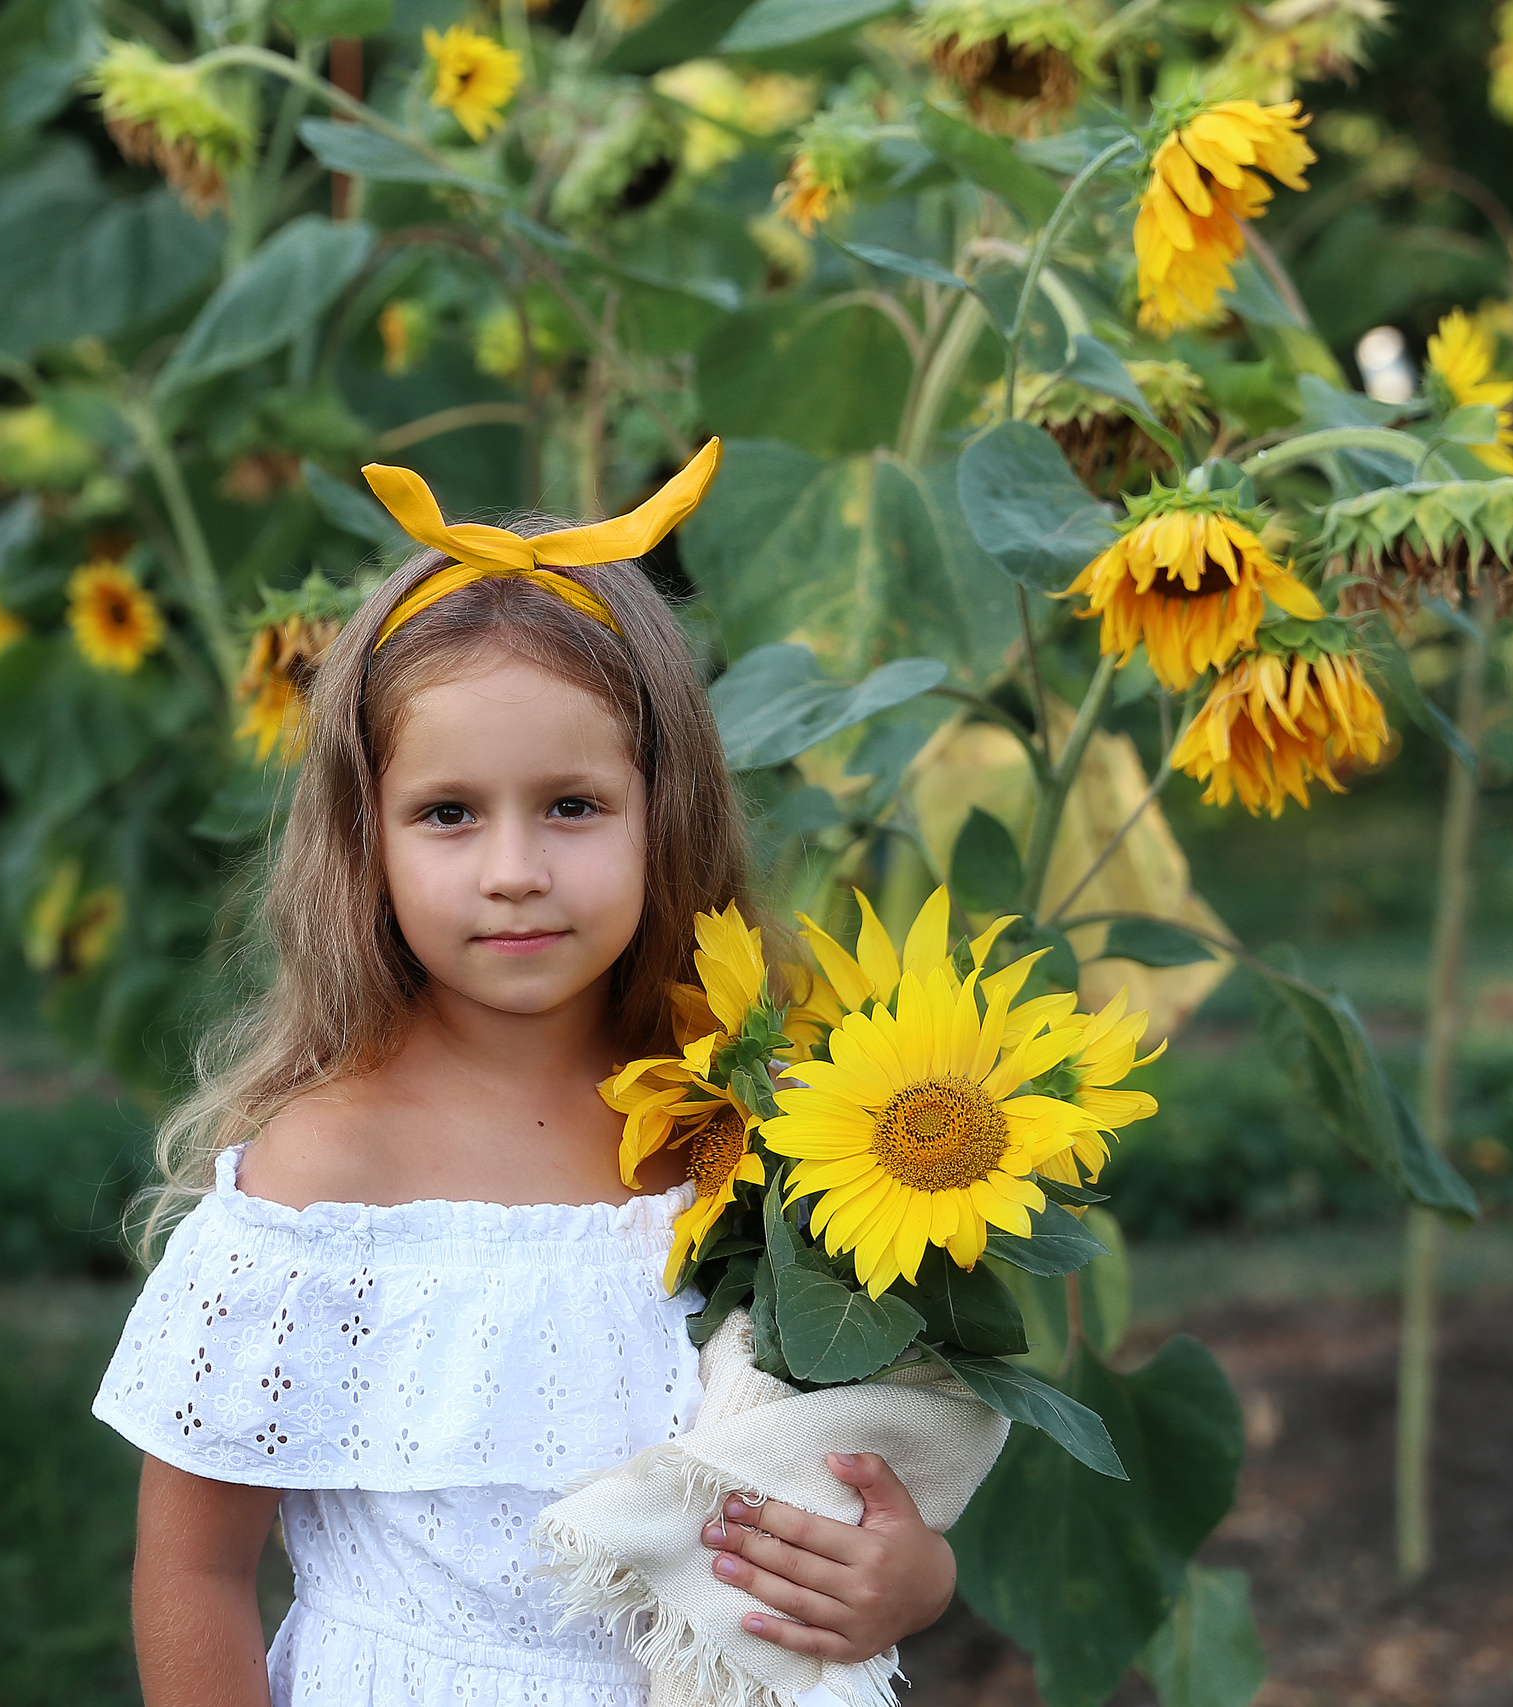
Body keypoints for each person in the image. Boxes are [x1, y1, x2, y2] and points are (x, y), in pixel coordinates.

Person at [90, 442, 960, 1706]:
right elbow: (193, 1575)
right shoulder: (330, 1174)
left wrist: (911, 1580)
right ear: (365, 837)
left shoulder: (755, 1127)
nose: (513, 869)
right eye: (448, 813)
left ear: (665, 811)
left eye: (571, 806)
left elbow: (855, 1469)